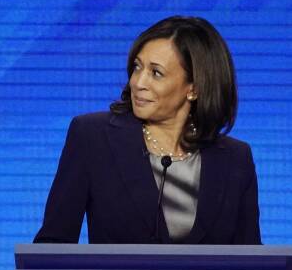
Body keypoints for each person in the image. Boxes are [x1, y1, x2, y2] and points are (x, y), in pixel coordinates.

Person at [34, 15, 259, 245]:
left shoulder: (236, 159)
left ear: (194, 89)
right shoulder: (92, 137)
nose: (138, 83)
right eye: (137, 67)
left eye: (156, 73)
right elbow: (53, 245)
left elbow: (254, 268)